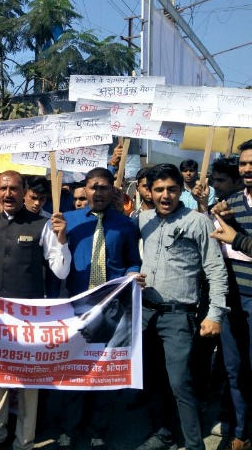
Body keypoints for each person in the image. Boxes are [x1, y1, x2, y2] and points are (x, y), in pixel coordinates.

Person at [0, 170, 70, 450]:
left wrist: (62, 239)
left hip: (30, 319)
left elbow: (61, 270)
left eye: (14, 188)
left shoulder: (43, 225)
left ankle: (24, 441)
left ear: (23, 191)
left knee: (29, 381)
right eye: (3, 188)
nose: (8, 194)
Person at [136, 163, 228, 450]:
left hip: (178, 316)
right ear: (149, 192)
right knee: (152, 379)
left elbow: (215, 270)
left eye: (172, 189)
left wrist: (215, 314)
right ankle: (163, 434)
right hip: (145, 313)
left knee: (180, 384)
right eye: (159, 190)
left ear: (180, 191)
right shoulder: (143, 220)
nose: (166, 196)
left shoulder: (198, 222)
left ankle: (193, 444)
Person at [59, 167, 141, 450]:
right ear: (85, 189)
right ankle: (70, 427)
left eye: (104, 187)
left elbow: (133, 260)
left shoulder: (126, 225)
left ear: (112, 190)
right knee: (74, 368)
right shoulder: (68, 221)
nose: (98, 192)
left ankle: (98, 428)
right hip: (76, 308)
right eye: (93, 187)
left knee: (104, 370)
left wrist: (133, 273)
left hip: (111, 308)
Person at [209, 144, 252, 450]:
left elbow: (234, 240)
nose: (248, 169)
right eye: (244, 163)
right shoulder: (229, 204)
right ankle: (240, 432)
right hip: (231, 298)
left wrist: (237, 238)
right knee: (235, 370)